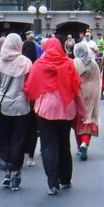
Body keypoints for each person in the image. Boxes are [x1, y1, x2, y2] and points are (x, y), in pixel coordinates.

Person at [24, 37, 85, 195]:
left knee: (48, 145)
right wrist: (82, 112)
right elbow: (76, 87)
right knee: (64, 142)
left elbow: (30, 86)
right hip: (66, 107)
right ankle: (65, 178)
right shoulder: (68, 63)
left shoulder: (39, 64)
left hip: (45, 109)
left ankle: (52, 183)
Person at [0, 34, 33, 192]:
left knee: (5, 137)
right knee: (18, 140)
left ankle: (6, 172)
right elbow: (30, 86)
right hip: (22, 106)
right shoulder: (26, 62)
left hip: (4, 106)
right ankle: (16, 174)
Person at [73, 41, 100, 161]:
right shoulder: (93, 63)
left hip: (79, 92)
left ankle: (80, 145)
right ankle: (85, 143)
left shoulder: (75, 62)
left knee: (78, 119)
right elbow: (98, 79)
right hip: (92, 92)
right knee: (89, 118)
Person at [22, 38, 40, 167]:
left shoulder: (20, 63)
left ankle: (21, 152)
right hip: (34, 100)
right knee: (33, 129)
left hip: (20, 100)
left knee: (21, 128)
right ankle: (31, 156)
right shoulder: (37, 64)